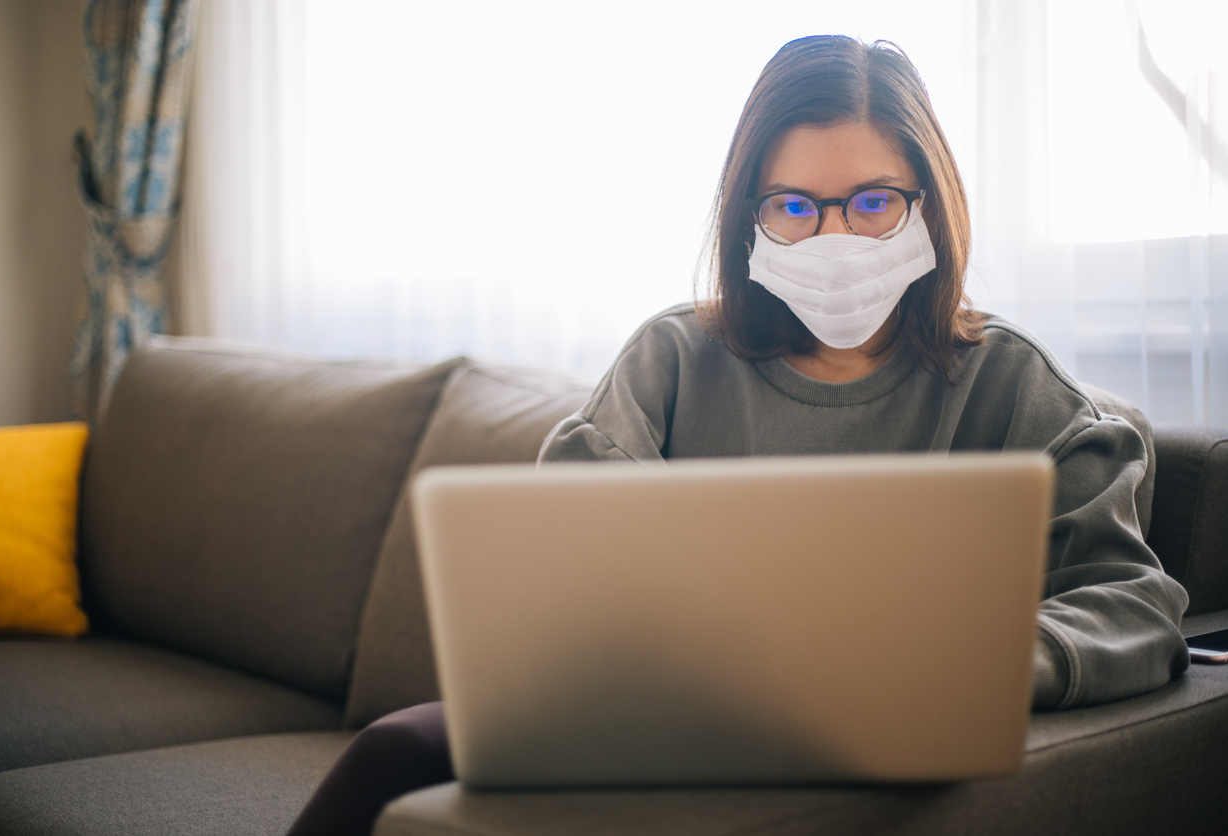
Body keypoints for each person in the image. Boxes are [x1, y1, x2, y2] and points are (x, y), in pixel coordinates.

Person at [287, 35, 1189, 836]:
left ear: (932, 207)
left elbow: (1137, 609)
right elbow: (559, 552)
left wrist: (973, 665)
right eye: (793, 207)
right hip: (658, 711)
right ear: (746, 218)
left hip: (883, 734)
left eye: (874, 202)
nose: (835, 236)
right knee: (396, 747)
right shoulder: (674, 357)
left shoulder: (1015, 387)